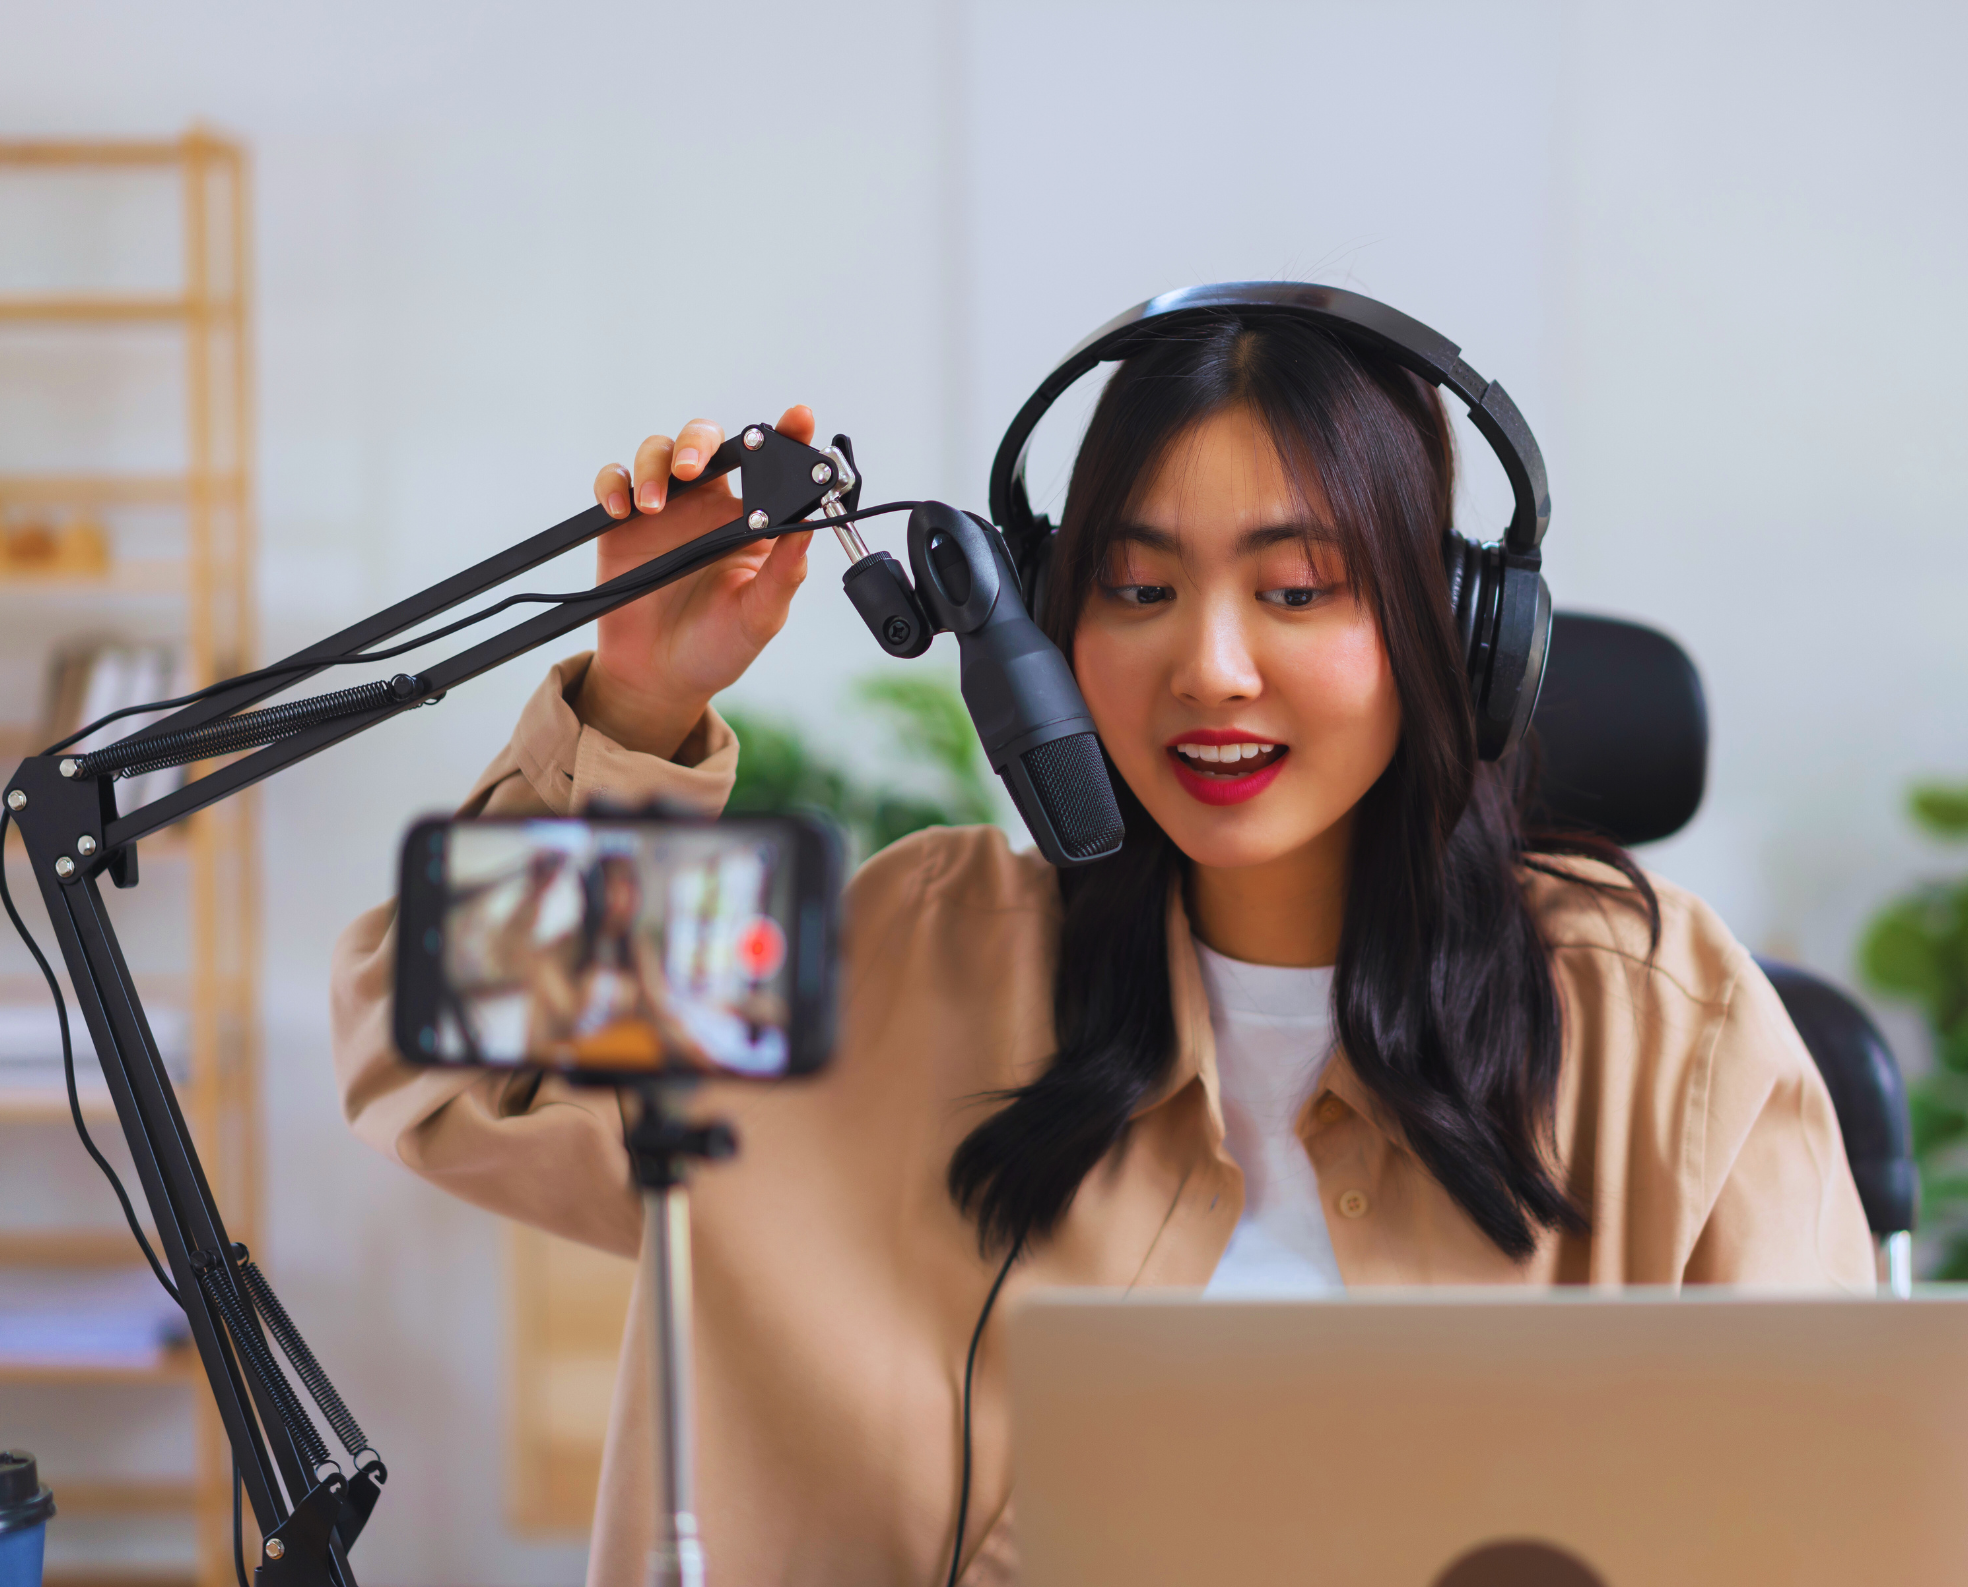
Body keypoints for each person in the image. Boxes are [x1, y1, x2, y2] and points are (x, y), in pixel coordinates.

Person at [330, 307, 1873, 1586]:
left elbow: (1848, 1531)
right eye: (1138, 588)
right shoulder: (897, 967)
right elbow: (452, 1071)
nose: (1208, 663)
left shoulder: (1666, 1034)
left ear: (1448, 630)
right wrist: (639, 705)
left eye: (1295, 589)